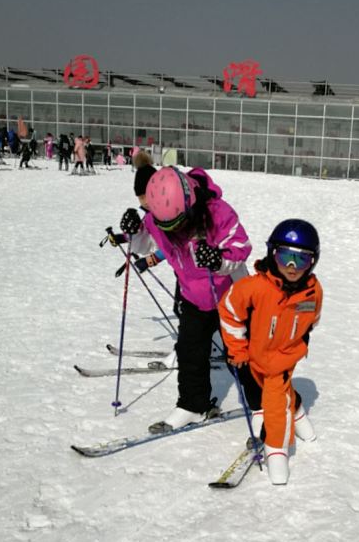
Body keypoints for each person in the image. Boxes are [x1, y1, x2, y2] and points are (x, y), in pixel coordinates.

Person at [123, 165, 251, 430]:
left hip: (229, 296)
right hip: (193, 296)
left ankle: (262, 403)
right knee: (190, 350)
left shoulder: (218, 212)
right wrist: (134, 231)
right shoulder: (159, 217)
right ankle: (193, 405)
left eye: (179, 225)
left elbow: (241, 247)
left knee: (239, 355)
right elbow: (145, 245)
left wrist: (218, 260)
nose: (174, 232)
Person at [218, 219, 323, 485]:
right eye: (284, 256)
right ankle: (297, 411)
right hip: (254, 356)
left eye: (301, 260)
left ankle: (276, 449)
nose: (291, 267)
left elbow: (312, 316)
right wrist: (238, 350)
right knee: (268, 390)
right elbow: (229, 310)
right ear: (271, 253)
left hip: (283, 359)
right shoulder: (255, 287)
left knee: (274, 402)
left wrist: (299, 340)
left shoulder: (312, 291)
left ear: (313, 262)